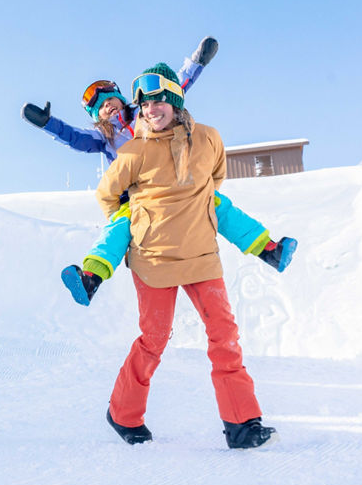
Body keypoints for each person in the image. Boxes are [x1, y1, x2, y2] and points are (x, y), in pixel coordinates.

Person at [21, 38, 296, 306]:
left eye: (110, 100)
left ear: (121, 98)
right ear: (97, 118)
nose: (108, 106)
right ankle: (91, 278)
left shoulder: (146, 112)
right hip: (138, 196)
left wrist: (197, 61)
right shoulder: (103, 138)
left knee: (217, 206)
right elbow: (73, 137)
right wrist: (48, 124)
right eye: (100, 107)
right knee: (119, 226)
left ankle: (270, 250)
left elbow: (176, 85)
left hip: (173, 183)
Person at [96, 63, 277, 449]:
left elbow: (215, 182)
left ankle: (243, 424)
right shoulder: (132, 152)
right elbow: (107, 196)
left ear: (175, 101)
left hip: (201, 255)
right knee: (154, 339)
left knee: (224, 336)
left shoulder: (209, 139)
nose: (152, 109)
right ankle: (123, 414)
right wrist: (137, 215)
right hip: (153, 258)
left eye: (160, 99)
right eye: (145, 104)